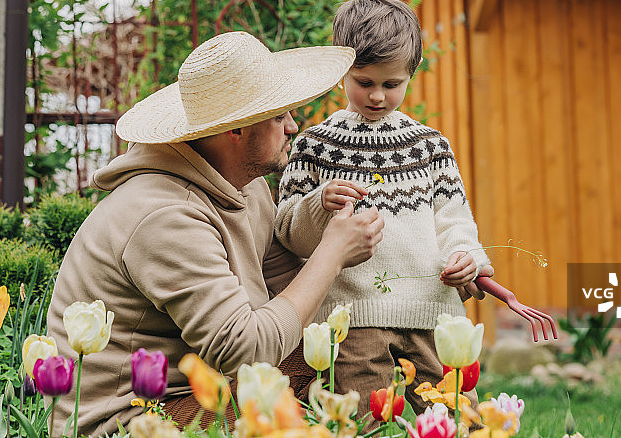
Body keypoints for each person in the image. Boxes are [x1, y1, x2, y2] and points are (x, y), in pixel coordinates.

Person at [46, 31, 385, 436]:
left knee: (341, 348)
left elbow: (288, 293)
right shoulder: (164, 216)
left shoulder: (245, 184)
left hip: (201, 388)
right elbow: (244, 351)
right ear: (236, 131)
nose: (294, 127)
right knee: (306, 384)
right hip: (133, 419)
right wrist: (332, 252)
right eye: (279, 116)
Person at [274, 0, 493, 420]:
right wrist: (319, 204)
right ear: (342, 73)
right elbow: (287, 232)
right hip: (352, 319)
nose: (377, 96)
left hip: (432, 312)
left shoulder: (429, 146)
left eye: (391, 84)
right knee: (360, 418)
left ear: (410, 75)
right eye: (365, 82)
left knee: (453, 419)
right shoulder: (314, 146)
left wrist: (465, 257)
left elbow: (453, 221)